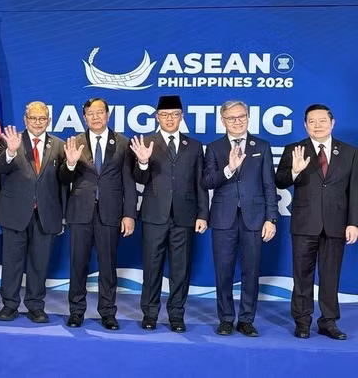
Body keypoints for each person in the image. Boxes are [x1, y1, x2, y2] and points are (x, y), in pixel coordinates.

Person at [275, 104, 358, 340]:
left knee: (331, 275)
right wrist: (294, 171)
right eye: (312, 121)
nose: (318, 125)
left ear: (332, 123)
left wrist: (354, 222)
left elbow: (355, 191)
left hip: (337, 224)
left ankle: (328, 322)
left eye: (322, 121)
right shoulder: (294, 149)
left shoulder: (351, 152)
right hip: (304, 223)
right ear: (305, 125)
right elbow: (279, 181)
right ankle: (302, 322)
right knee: (302, 275)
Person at [130, 95, 208, 332]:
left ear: (181, 116)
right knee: (152, 267)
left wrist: (203, 214)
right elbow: (139, 178)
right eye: (165, 115)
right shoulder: (146, 143)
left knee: (180, 269)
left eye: (175, 114)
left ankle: (176, 315)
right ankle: (150, 314)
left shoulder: (193, 146)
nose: (170, 119)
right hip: (154, 216)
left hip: (184, 217)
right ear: (157, 117)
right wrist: (142, 162)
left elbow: (200, 183)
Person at [202, 100, 278, 337]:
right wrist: (229, 168)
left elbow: (269, 185)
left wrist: (271, 219)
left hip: (255, 219)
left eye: (241, 116)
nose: (237, 121)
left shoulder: (262, 146)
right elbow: (207, 182)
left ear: (248, 117)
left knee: (251, 271)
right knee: (223, 271)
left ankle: (246, 319)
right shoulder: (214, 148)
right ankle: (225, 318)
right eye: (232, 118)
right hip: (223, 219)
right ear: (223, 120)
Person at [59, 98, 136, 330]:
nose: (95, 117)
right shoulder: (74, 142)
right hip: (80, 213)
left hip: (111, 213)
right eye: (90, 113)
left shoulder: (123, 143)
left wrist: (129, 214)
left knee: (108, 265)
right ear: (84, 117)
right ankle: (76, 311)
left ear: (108, 115)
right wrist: (70, 165)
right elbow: (63, 179)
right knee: (77, 265)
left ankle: (108, 313)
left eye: (99, 112)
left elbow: (129, 182)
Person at [0, 101, 66, 323]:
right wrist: (10, 152)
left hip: (46, 215)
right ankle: (9, 305)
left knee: (39, 263)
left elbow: (63, 183)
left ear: (48, 120)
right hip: (15, 213)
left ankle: (35, 305)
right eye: (33, 118)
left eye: (42, 118)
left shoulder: (59, 145)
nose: (37, 122)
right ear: (25, 120)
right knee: (12, 262)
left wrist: (62, 215)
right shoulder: (11, 141)